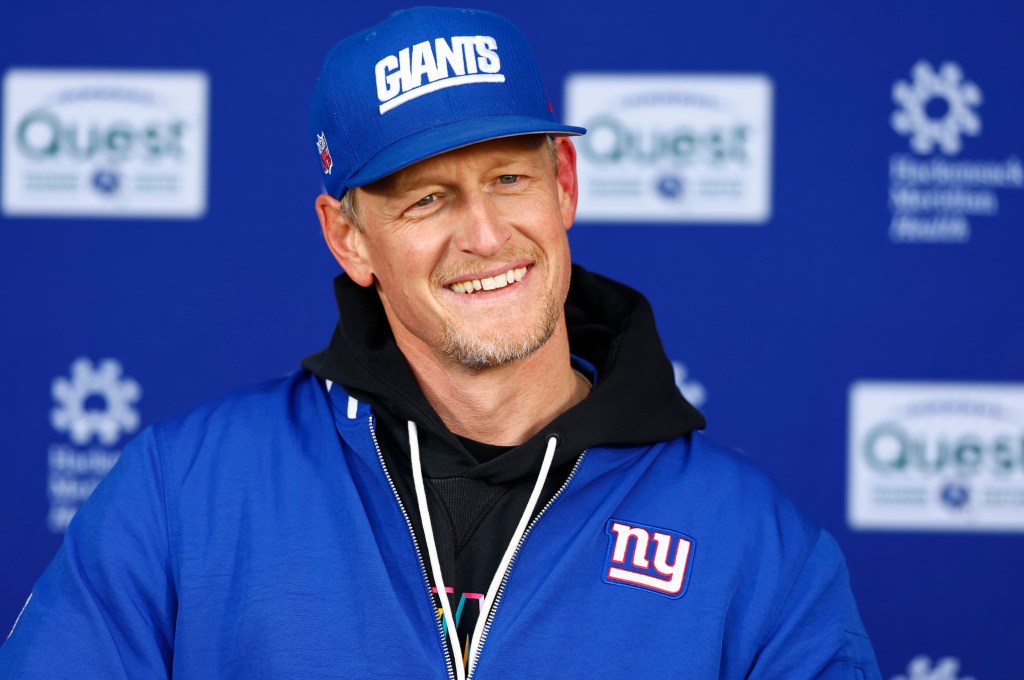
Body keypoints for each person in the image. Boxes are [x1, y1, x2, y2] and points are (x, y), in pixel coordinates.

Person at [0, 7, 880, 678]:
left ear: (564, 185)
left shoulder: (751, 544)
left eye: (509, 178)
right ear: (348, 239)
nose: (486, 236)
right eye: (427, 198)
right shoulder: (186, 493)